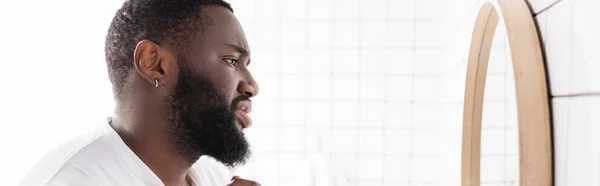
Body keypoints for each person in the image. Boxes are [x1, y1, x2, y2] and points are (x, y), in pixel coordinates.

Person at [19, 0, 260, 185]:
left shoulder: (211, 176)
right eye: (231, 60)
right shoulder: (72, 180)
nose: (251, 86)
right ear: (154, 64)